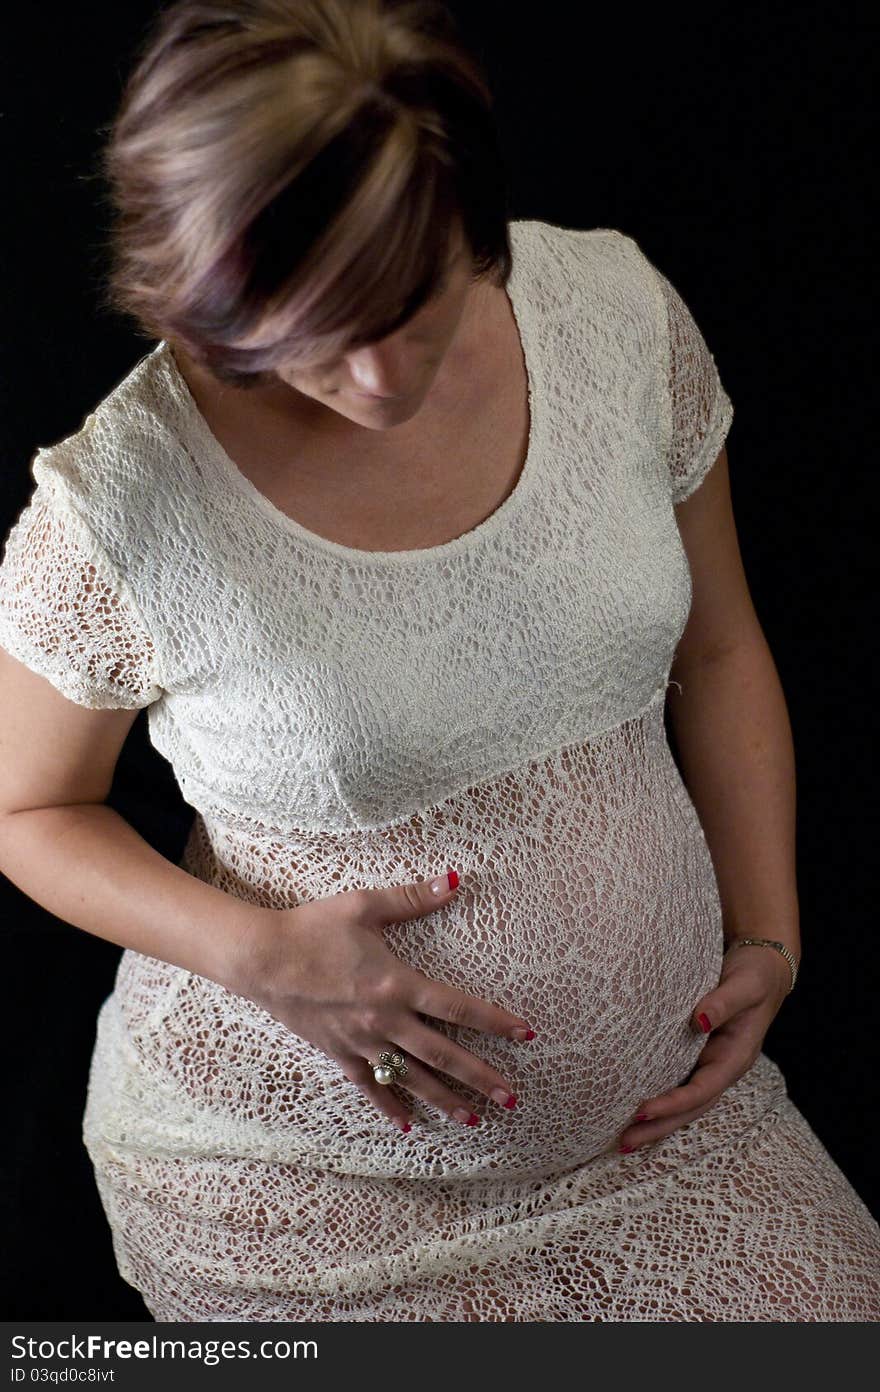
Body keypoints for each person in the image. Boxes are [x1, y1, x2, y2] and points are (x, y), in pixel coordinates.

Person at [0, 0, 878, 1323]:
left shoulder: (615, 313)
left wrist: (769, 928)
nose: (373, 372)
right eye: (303, 333)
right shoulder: (117, 508)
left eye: (412, 303)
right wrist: (260, 953)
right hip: (293, 1189)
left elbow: (721, 642)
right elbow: (27, 813)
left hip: (676, 1131)